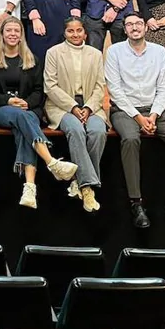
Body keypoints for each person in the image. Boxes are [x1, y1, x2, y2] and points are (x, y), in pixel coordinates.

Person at [106, 11, 165, 232]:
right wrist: (138, 117)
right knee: (131, 139)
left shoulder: (159, 52)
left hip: (156, 111)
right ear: (124, 29)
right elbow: (115, 91)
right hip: (125, 110)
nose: (134, 27)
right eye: (129, 24)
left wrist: (153, 116)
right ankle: (136, 203)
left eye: (138, 24)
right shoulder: (115, 52)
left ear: (145, 27)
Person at [0, 18, 77, 209]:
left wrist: (27, 102)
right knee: (21, 118)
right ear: (1, 34)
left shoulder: (32, 59)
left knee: (23, 125)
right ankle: (50, 161)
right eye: (8, 30)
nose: (13, 34)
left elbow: (39, 90)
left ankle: (30, 188)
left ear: (22, 35)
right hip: (0, 110)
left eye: (17, 31)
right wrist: (7, 101)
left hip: (28, 109)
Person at [43, 17, 108, 213]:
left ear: (85, 33)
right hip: (61, 106)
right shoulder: (53, 53)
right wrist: (72, 107)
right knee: (75, 129)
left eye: (79, 30)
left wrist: (88, 107)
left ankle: (79, 181)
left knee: (97, 131)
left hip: (90, 105)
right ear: (65, 33)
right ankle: (87, 187)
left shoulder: (95, 54)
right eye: (71, 31)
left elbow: (99, 86)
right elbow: (50, 86)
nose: (75, 34)